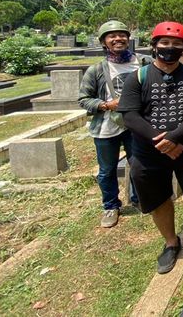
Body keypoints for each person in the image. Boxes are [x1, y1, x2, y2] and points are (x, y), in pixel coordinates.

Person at [118, 21, 183, 274]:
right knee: (158, 198)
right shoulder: (137, 78)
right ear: (154, 46)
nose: (170, 48)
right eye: (165, 43)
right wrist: (161, 142)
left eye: (177, 44)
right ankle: (171, 242)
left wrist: (175, 137)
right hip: (148, 152)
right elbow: (130, 115)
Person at [78, 20, 151, 228]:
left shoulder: (143, 62)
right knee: (107, 169)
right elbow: (84, 99)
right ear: (104, 42)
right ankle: (111, 206)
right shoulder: (97, 70)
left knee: (138, 163)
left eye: (122, 35)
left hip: (135, 124)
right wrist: (106, 104)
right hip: (107, 126)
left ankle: (139, 199)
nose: (118, 39)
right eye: (112, 36)